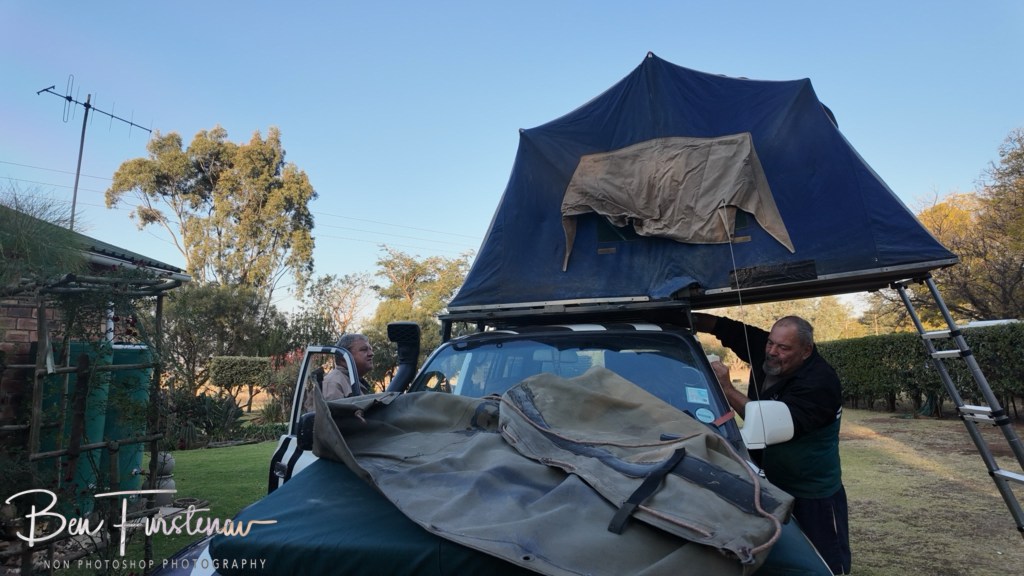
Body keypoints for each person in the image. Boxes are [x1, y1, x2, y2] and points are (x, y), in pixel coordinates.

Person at [691, 313, 851, 575]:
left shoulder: (820, 382)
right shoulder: (767, 348)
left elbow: (768, 426)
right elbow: (725, 327)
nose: (773, 352)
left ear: (806, 350)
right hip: (765, 481)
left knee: (823, 561)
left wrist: (727, 389)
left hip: (810, 488)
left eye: (783, 348)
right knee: (772, 553)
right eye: (770, 343)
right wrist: (685, 317)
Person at [322, 333, 374, 399]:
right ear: (344, 356)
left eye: (370, 349)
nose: (371, 353)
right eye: (364, 349)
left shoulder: (353, 380)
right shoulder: (333, 383)